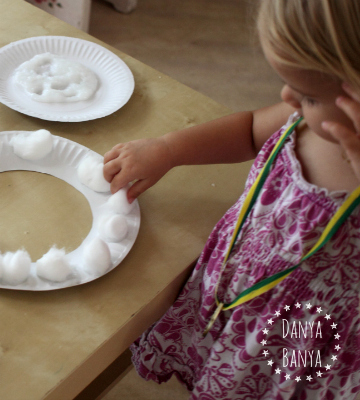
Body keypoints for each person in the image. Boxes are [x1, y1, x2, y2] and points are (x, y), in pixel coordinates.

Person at [102, 1, 360, 398]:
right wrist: (170, 150)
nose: (287, 97)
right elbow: (250, 130)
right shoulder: (305, 118)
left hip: (292, 340)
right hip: (238, 290)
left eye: (307, 95)